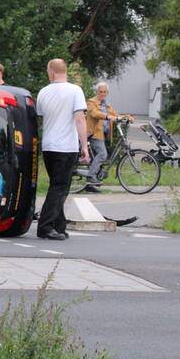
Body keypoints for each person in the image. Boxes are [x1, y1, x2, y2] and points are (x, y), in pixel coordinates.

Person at [35, 58, 90, 241]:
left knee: (56, 185)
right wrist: (84, 146)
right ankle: (45, 226)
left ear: (51, 71)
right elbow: (80, 118)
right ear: (63, 71)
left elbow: (41, 117)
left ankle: (59, 225)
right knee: (60, 187)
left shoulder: (43, 92)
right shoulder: (75, 91)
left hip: (49, 146)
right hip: (66, 146)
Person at [85, 82, 134, 191]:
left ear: (107, 93)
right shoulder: (91, 102)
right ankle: (90, 176)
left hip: (104, 135)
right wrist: (107, 116)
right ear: (97, 92)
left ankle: (90, 186)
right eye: (100, 91)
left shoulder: (107, 105)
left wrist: (127, 117)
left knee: (99, 158)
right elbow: (94, 114)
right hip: (94, 134)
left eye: (104, 92)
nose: (102, 93)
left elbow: (115, 115)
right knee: (102, 155)